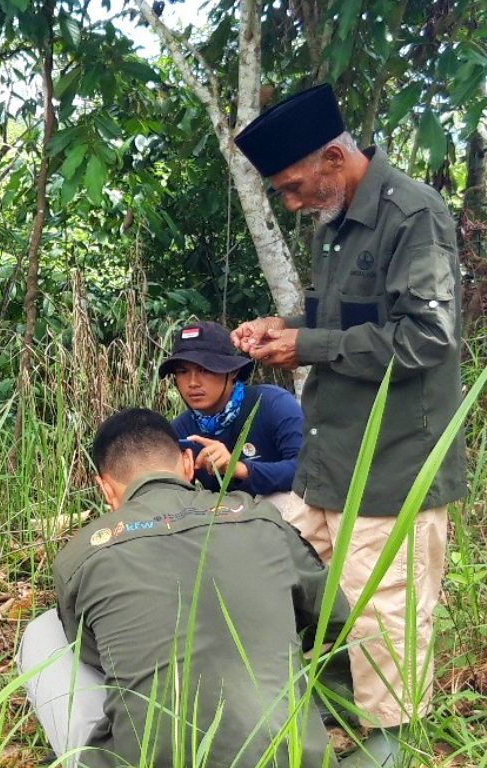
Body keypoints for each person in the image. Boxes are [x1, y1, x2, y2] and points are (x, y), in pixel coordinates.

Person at [232, 83, 465, 766]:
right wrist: (287, 325)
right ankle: (335, 695)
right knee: (286, 570)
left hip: (393, 463)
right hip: (333, 458)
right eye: (282, 192)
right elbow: (349, 319)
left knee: (384, 604)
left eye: (295, 185)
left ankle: (389, 741)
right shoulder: (335, 221)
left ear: (335, 157)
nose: (293, 201)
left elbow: (426, 338)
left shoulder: (413, 215)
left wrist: (308, 347)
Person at [17, 408, 351, 768]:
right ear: (188, 464)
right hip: (291, 756)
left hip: (154, 756)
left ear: (105, 489)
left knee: (42, 632)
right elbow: (335, 617)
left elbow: (96, 656)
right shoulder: (260, 518)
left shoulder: (81, 554)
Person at [161, 320, 303, 515]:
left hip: (288, 523)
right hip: (225, 527)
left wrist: (239, 468)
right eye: (183, 372)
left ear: (232, 371)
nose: (193, 382)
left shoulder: (272, 403)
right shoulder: (181, 431)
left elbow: (305, 470)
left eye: (205, 369)